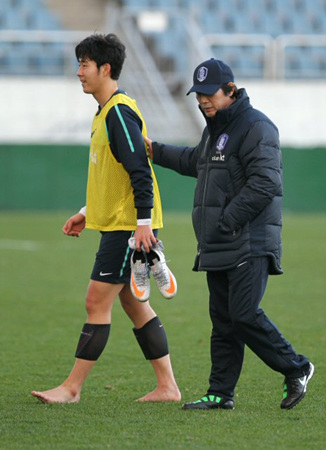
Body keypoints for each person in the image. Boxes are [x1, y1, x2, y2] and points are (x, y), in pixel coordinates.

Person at [145, 58, 314, 410]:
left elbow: (266, 182)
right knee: (223, 321)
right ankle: (220, 393)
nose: (203, 100)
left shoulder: (257, 127)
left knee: (243, 314)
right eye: (198, 94)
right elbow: (196, 162)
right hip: (221, 242)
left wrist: (228, 219)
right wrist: (154, 151)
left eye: (209, 93)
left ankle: (297, 368)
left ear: (230, 91)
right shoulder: (214, 130)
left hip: (248, 240)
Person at [31, 33, 181, 404]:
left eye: (84, 64)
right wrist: (86, 212)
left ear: (105, 68)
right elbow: (112, 176)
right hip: (122, 222)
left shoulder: (118, 112)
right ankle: (167, 387)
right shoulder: (106, 112)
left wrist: (143, 225)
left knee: (96, 301)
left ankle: (71, 388)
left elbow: (139, 172)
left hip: (128, 228)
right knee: (132, 302)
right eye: (79, 64)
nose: (79, 72)